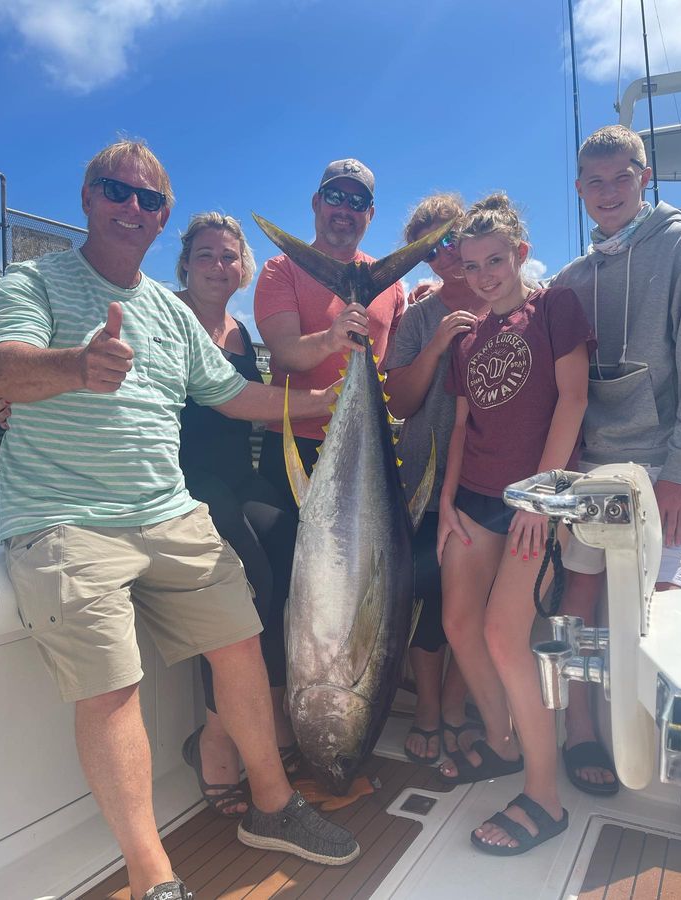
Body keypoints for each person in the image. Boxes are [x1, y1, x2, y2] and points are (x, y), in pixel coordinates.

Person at [0, 140, 359, 900]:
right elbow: (3, 365)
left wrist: (339, 404)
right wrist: (74, 366)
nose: (133, 208)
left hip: (168, 511)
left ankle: (273, 805)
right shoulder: (31, 279)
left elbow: (236, 398)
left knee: (242, 641)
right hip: (65, 518)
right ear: (88, 198)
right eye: (116, 191)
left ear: (162, 219)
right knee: (112, 686)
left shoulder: (168, 312)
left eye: (149, 199)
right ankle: (152, 873)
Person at [552, 124, 681, 860]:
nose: (609, 192)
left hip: (664, 474)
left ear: (644, 178)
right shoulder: (571, 278)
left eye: (621, 177)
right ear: (580, 190)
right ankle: (580, 725)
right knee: (577, 606)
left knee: (670, 622)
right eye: (595, 181)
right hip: (594, 476)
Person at [437, 193, 594, 855]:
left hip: (539, 496)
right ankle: (501, 743)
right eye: (472, 264)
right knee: (458, 625)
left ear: (519, 255)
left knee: (506, 635)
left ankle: (544, 795)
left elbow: (574, 397)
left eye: (495, 259)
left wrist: (540, 499)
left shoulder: (555, 307)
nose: (484, 273)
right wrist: (445, 502)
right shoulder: (466, 336)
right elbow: (462, 425)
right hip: (473, 496)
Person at [173, 212, 300, 818]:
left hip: (239, 478)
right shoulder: (165, 315)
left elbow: (254, 411)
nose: (218, 265)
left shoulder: (243, 334)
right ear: (185, 264)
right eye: (205, 254)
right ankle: (215, 738)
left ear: (242, 267)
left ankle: (266, 717)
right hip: (182, 480)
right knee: (245, 586)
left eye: (228, 256)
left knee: (285, 546)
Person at [385, 193, 487, 766]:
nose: (445, 256)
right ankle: (427, 708)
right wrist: (439, 340)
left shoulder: (510, 300)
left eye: (453, 238)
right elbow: (400, 399)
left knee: (477, 603)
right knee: (427, 598)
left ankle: (454, 705)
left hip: (489, 480)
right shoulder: (418, 316)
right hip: (422, 482)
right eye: (431, 249)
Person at [254, 158, 405, 510]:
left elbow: (393, 367)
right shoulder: (281, 270)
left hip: (368, 444)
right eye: (335, 196)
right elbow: (285, 353)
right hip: (295, 444)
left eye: (357, 203)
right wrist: (330, 339)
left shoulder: (393, 285)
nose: (344, 209)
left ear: (371, 213)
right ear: (316, 202)